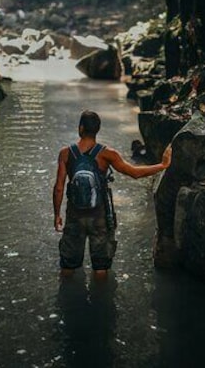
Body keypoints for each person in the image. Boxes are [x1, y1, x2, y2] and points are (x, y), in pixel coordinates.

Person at [53, 110, 172, 280]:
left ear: (80, 128)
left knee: (68, 264)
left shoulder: (66, 153)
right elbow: (134, 173)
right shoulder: (107, 154)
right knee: (101, 267)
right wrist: (162, 165)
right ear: (97, 130)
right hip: (100, 216)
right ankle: (101, 302)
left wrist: (57, 215)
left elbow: (58, 187)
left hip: (74, 215)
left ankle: (65, 301)